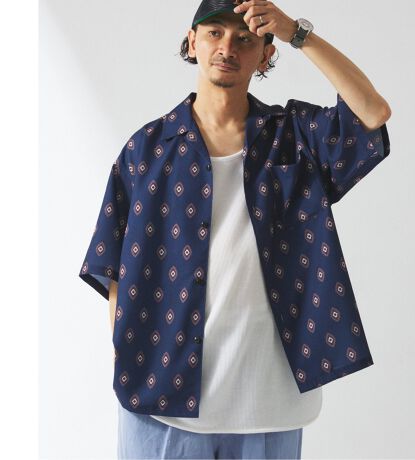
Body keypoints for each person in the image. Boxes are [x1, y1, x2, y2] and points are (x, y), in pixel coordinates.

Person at [78, 0, 391, 458]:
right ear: (192, 42)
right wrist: (124, 349)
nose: (228, 47)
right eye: (214, 33)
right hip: (163, 398)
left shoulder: (294, 137)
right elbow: (113, 265)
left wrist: (296, 32)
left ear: (266, 55)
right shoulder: (146, 150)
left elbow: (373, 114)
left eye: (245, 39)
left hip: (271, 403)